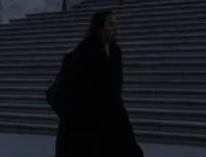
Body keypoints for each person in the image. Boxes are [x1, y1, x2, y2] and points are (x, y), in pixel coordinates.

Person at [47, 9, 144, 157]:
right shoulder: (83, 52)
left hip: (112, 116)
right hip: (87, 121)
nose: (114, 28)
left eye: (115, 25)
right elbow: (67, 85)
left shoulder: (115, 52)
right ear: (99, 27)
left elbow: (115, 90)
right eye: (110, 24)